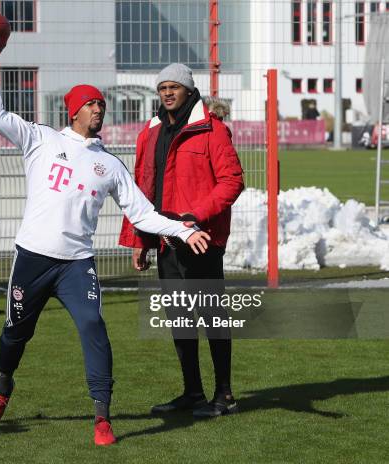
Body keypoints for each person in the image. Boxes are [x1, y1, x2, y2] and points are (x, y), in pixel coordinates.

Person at [0, 41, 211, 446]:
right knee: (15, 334)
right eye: (91, 104)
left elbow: (143, 214)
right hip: (32, 257)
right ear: (75, 111)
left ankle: (102, 416)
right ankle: (2, 389)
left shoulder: (110, 165)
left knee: (93, 327)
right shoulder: (40, 139)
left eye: (102, 104)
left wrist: (183, 229)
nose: (99, 109)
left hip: (76, 265)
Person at [119, 63, 244, 417]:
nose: (168, 93)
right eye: (163, 88)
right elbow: (145, 190)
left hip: (201, 241)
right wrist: (141, 239)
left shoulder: (212, 130)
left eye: (175, 87)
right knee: (179, 319)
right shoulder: (151, 133)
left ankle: (225, 394)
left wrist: (195, 216)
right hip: (165, 243)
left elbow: (232, 181)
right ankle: (192, 392)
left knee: (211, 316)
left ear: (189, 91)